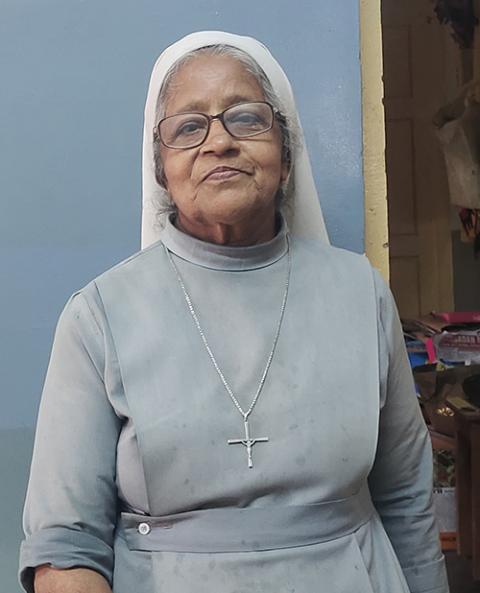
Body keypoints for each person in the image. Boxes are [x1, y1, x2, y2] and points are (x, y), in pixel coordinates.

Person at [19, 31, 450, 593]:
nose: (218, 142)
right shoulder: (97, 316)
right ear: (160, 173)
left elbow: (407, 501)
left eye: (246, 118)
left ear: (287, 158)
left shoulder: (360, 293)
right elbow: (64, 544)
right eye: (188, 127)